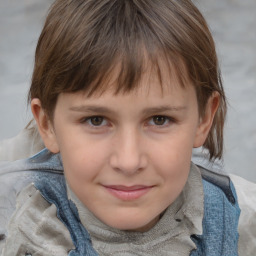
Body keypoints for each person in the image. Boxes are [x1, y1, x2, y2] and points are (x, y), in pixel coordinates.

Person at [0, 0, 255, 255]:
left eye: (159, 119)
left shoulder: (245, 225)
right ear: (47, 125)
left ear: (203, 119)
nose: (129, 161)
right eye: (96, 120)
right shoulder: (17, 232)